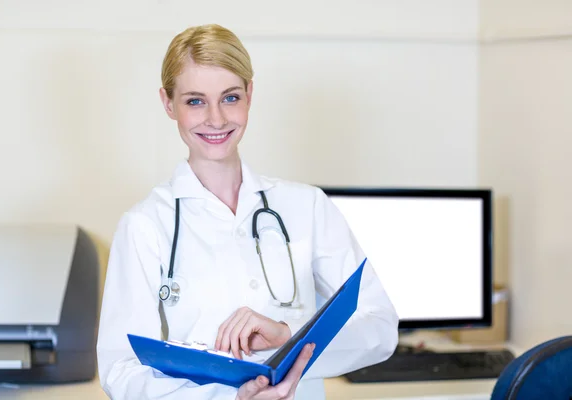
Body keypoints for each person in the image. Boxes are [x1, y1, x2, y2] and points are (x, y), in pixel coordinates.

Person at [96, 24, 399, 400]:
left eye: (230, 97)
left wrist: (289, 339)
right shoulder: (145, 226)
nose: (216, 119)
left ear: (250, 95)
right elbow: (121, 370)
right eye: (194, 101)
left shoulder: (307, 206)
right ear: (167, 103)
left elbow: (381, 328)